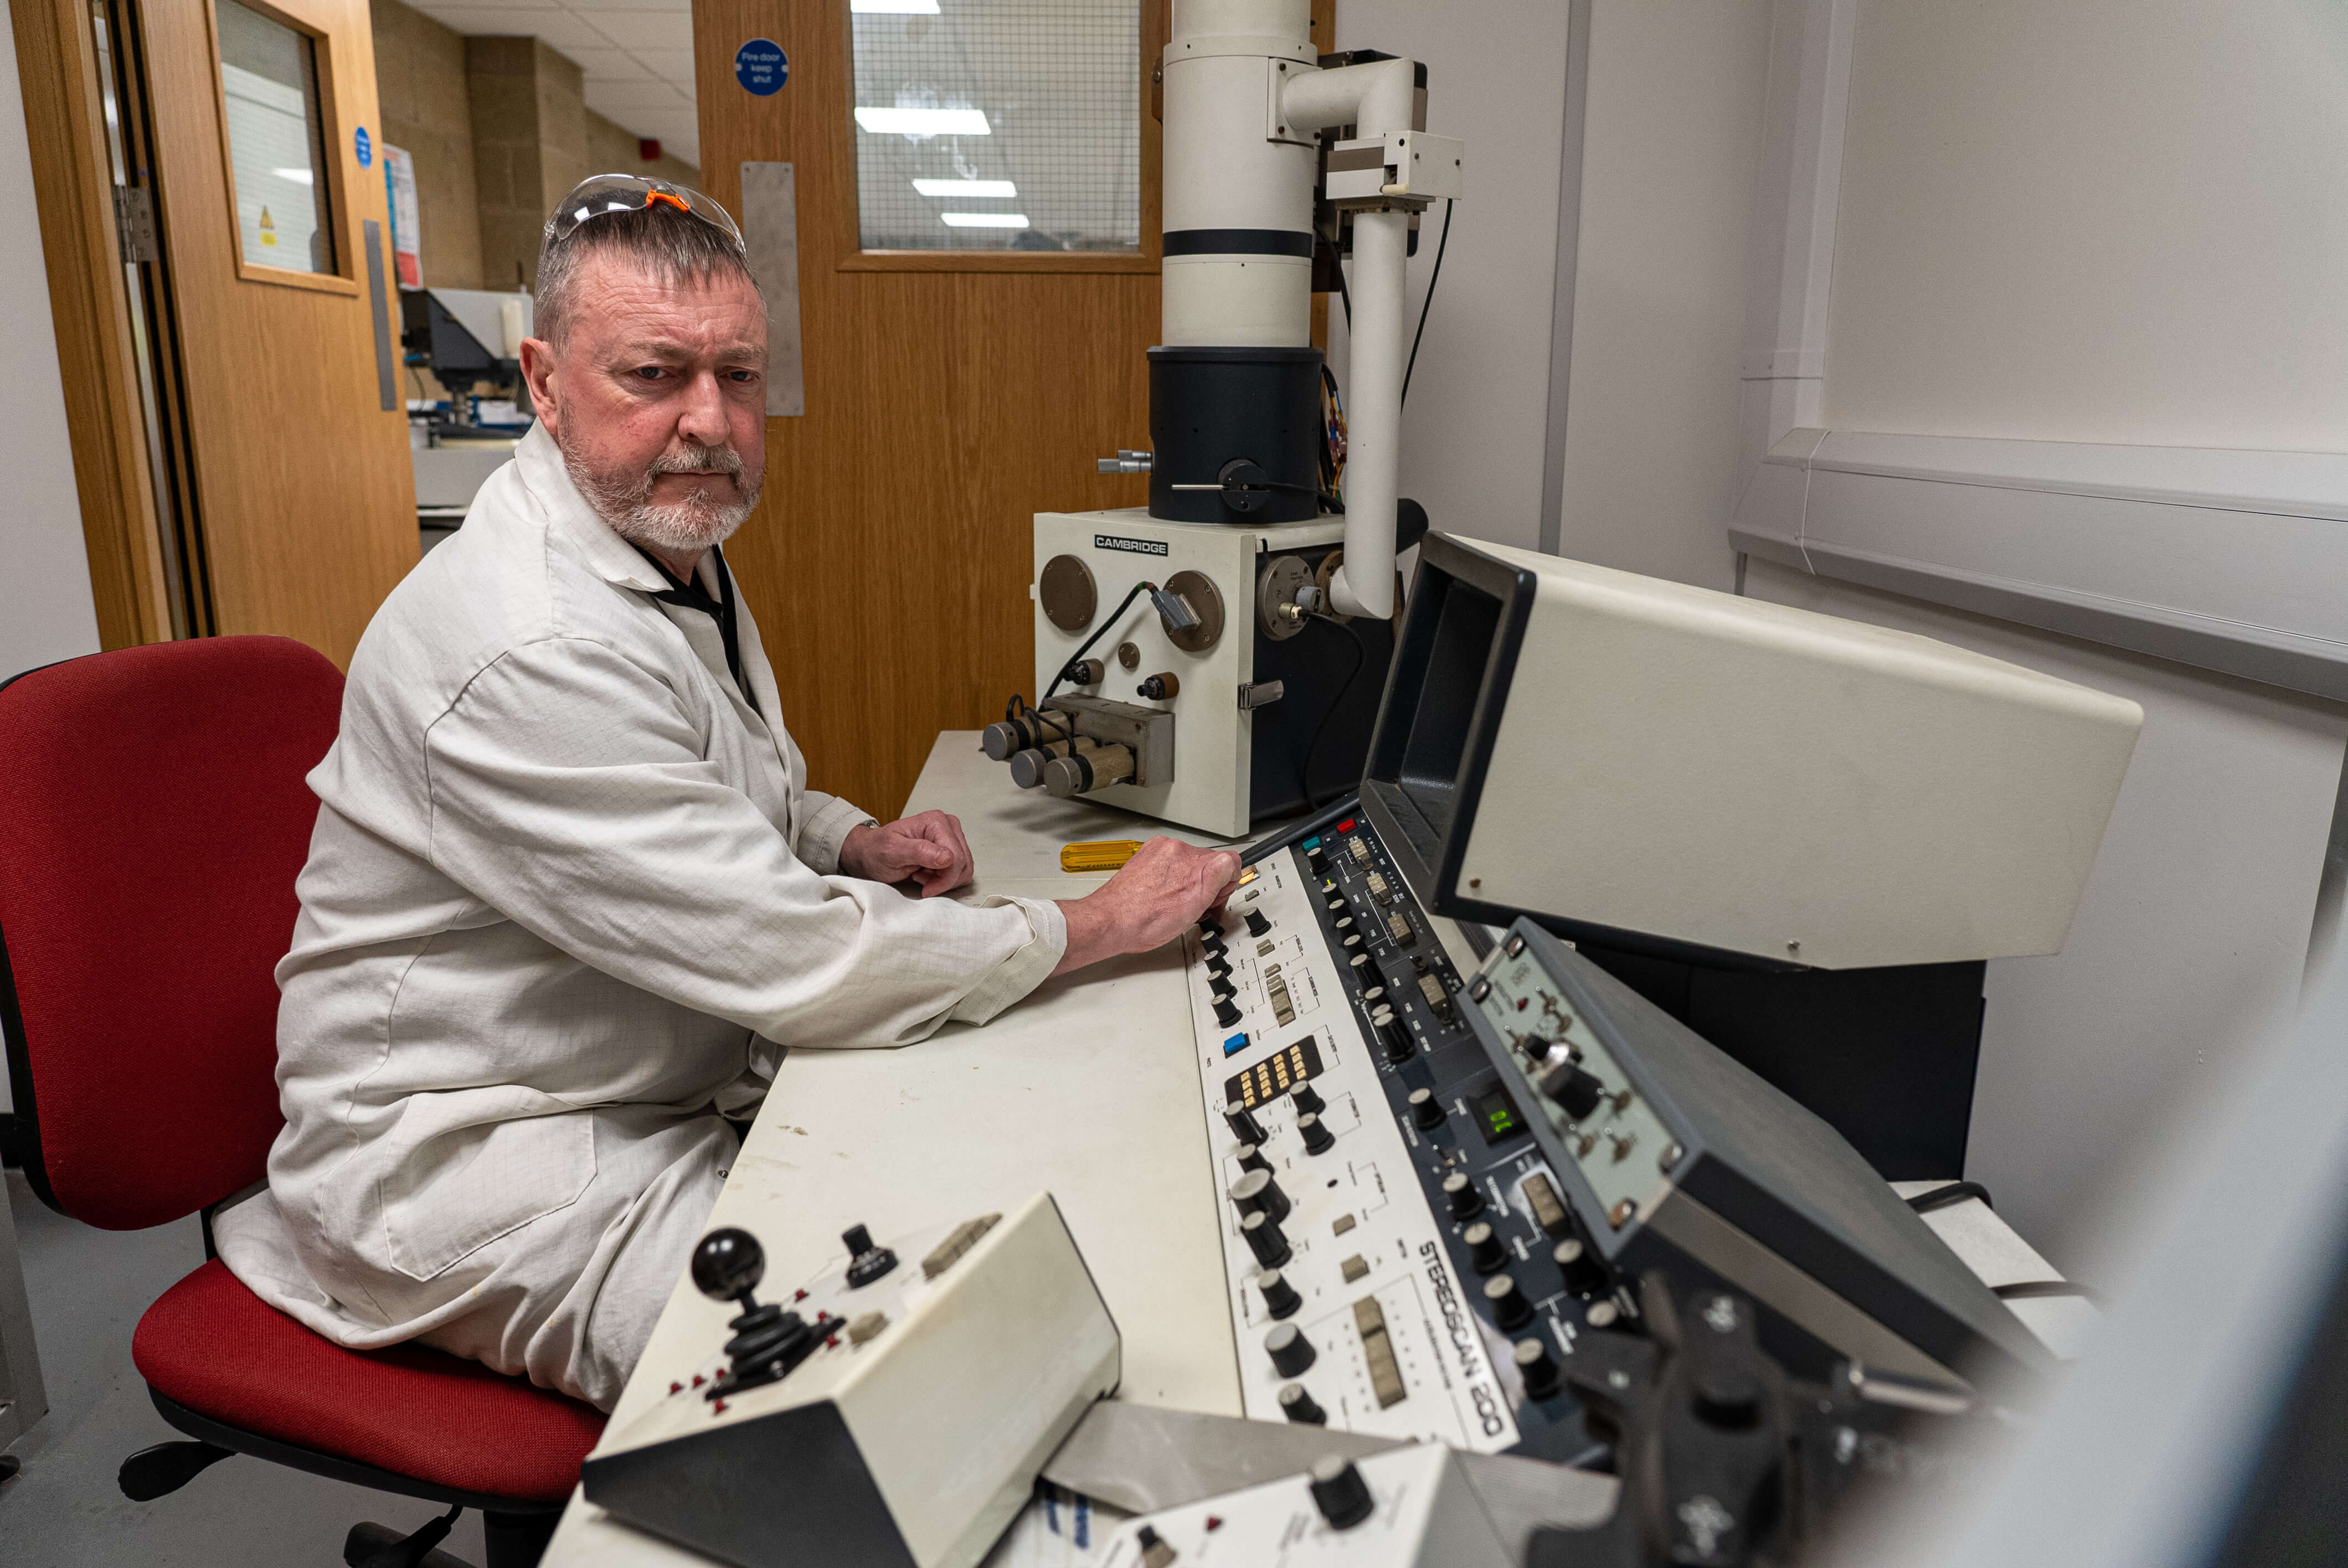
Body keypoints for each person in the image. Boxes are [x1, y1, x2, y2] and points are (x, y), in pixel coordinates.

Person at [214, 176, 1238, 1411]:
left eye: (738, 377)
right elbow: (795, 960)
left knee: (1012, 1198)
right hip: (480, 1166)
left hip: (644, 1085)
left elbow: (700, 781)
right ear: (542, 382)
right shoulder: (528, 637)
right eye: (652, 375)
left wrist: (843, 838)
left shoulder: (659, 542)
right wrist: (1097, 925)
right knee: (911, 1392)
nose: (709, 421)